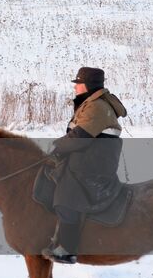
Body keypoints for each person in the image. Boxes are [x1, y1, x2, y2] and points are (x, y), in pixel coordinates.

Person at [41, 66, 127, 264]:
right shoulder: (90, 104)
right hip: (90, 157)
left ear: (87, 85)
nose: (75, 88)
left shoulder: (96, 107)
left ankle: (68, 250)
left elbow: (80, 137)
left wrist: (56, 147)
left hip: (93, 163)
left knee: (68, 191)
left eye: (78, 84)